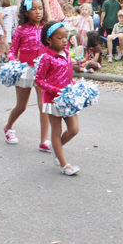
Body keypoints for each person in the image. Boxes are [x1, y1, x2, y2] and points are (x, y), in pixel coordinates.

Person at [4, 0, 51, 151]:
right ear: (25, 12)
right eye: (33, 9)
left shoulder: (47, 29)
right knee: (21, 106)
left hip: (42, 70)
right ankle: (8, 126)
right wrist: (13, 62)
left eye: (40, 9)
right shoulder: (21, 29)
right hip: (25, 70)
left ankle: (44, 140)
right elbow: (12, 51)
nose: (38, 12)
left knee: (43, 104)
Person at [35, 21, 80, 175]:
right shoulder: (46, 57)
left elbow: (67, 77)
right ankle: (64, 164)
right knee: (56, 130)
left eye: (65, 37)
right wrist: (54, 90)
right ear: (49, 40)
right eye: (59, 38)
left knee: (74, 129)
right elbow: (38, 80)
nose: (64, 40)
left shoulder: (66, 53)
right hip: (52, 99)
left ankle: (56, 148)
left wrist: (74, 85)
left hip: (67, 98)